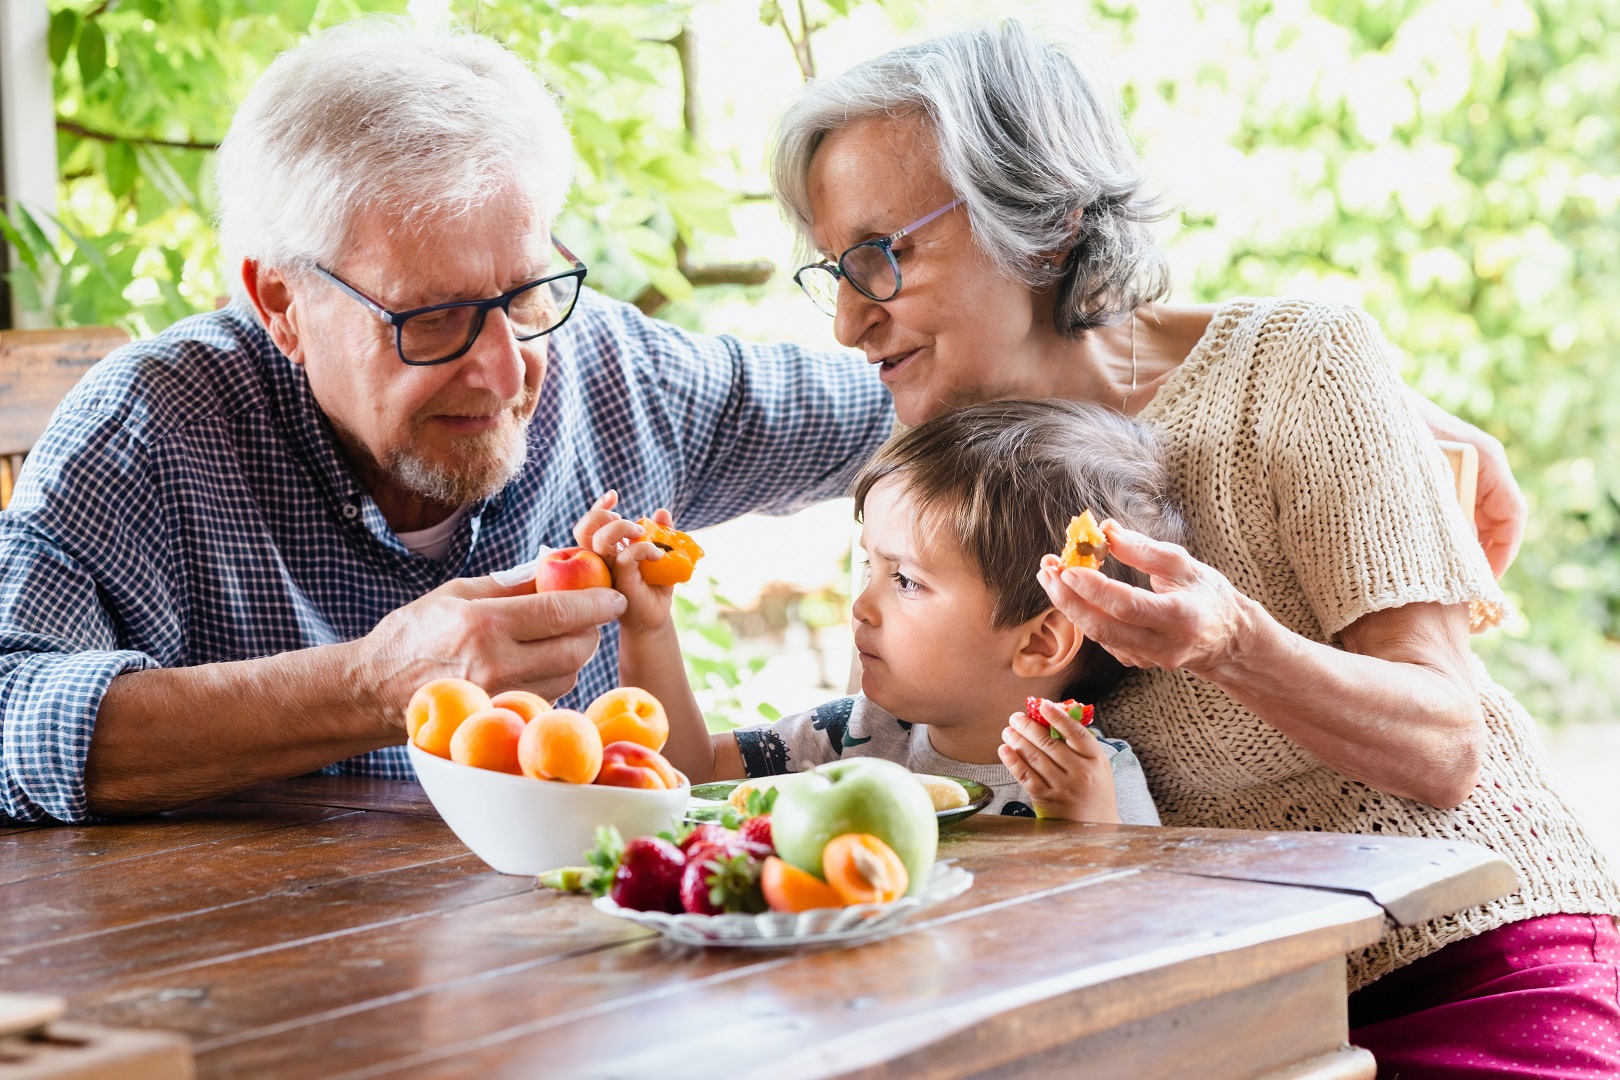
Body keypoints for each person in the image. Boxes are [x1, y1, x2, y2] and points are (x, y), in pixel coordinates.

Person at [767, 21, 1619, 1076]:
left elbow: (1445, 749)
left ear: (1044, 221)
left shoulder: (1294, 367)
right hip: (1216, 1002)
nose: (850, 321)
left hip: (1459, 956)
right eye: (835, 269)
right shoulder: (938, 450)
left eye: (881, 256)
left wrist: (1230, 642)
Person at [0, 19, 893, 824]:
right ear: (281, 302)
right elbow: (9, 718)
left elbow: (906, 406)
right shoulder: (151, 428)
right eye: (432, 317)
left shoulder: (619, 374)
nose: (506, 371)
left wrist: (1027, 311)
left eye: (528, 292)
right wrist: (370, 685)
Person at [576, 399, 1174, 824]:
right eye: (871, 569)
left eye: (907, 581)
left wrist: (1090, 828)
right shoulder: (859, 735)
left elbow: (1134, 930)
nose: (862, 606)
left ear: (1040, 643)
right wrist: (648, 626)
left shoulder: (1093, 779)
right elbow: (692, 774)